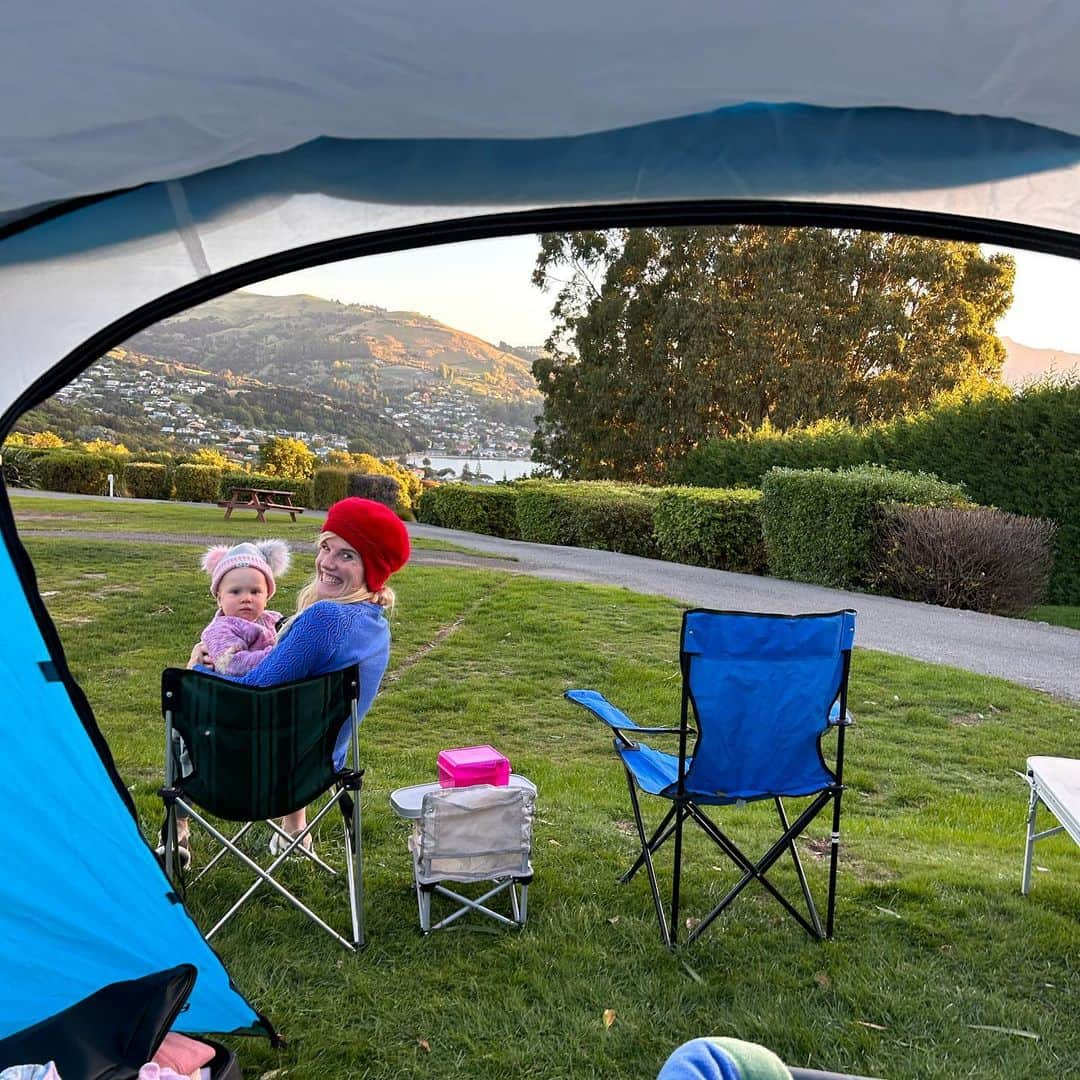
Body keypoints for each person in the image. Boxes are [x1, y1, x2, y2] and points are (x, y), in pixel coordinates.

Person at [175, 497, 410, 861]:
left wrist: (198, 670)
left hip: (259, 769)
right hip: (317, 766)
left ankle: (177, 835)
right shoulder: (373, 623)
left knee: (182, 712)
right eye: (326, 547)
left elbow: (252, 694)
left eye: (347, 556)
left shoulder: (327, 619)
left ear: (372, 567)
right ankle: (295, 831)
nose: (327, 563)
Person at [198, 539, 291, 675]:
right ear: (219, 598)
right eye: (235, 592)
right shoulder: (220, 630)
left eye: (255, 592)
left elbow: (293, 633)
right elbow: (231, 664)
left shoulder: (273, 619)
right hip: (242, 692)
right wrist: (278, 655)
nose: (246, 598)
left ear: (266, 597)